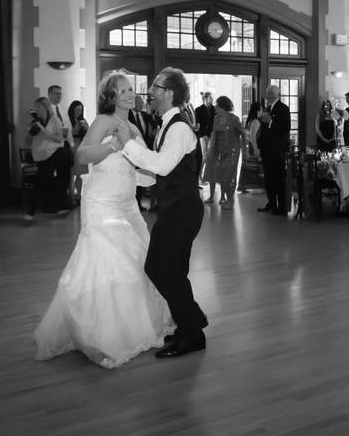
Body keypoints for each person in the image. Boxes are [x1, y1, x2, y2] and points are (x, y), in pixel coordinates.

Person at [34, 70, 174, 368]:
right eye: (122, 90)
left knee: (139, 262)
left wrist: (157, 173)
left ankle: (136, 326)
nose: (129, 93)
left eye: (130, 89)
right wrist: (114, 145)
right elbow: (82, 156)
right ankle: (104, 336)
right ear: (110, 96)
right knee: (109, 264)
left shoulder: (133, 124)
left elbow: (142, 167)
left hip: (127, 204)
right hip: (101, 203)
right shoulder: (104, 121)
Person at [115, 67, 209, 358]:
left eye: (154, 87)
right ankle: (190, 324)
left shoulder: (179, 127)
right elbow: (158, 174)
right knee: (170, 270)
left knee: (163, 270)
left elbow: (163, 165)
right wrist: (128, 175)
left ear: (168, 93)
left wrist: (127, 145)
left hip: (183, 211)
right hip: (174, 210)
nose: (149, 93)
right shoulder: (168, 125)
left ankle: (192, 332)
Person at [203, 96, 247, 210]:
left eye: (217, 105)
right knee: (222, 176)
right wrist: (211, 151)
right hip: (219, 151)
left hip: (232, 151)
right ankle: (224, 198)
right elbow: (214, 135)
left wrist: (245, 150)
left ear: (222, 107)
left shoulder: (234, 119)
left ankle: (230, 200)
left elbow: (243, 134)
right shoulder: (216, 118)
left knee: (229, 176)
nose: (215, 107)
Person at [24, 97, 65, 220]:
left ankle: (30, 212)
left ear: (46, 107)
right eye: (35, 107)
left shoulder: (54, 120)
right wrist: (31, 133)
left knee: (40, 181)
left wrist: (44, 131)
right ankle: (62, 206)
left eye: (39, 107)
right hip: (40, 155)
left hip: (53, 153)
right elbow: (27, 142)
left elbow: (60, 139)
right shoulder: (34, 122)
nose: (36, 109)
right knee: (49, 181)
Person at [257, 85, 290, 215]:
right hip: (267, 149)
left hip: (277, 150)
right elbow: (264, 130)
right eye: (267, 93)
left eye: (271, 93)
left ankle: (281, 207)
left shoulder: (283, 108)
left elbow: (285, 128)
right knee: (268, 178)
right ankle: (271, 203)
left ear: (278, 94)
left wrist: (270, 122)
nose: (268, 95)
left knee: (278, 179)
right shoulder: (268, 108)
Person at [47, 84, 73, 213]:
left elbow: (68, 128)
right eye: (56, 93)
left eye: (60, 94)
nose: (59, 96)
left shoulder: (62, 110)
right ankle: (53, 205)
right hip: (53, 148)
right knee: (53, 177)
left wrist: (72, 145)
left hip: (65, 146)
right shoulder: (47, 111)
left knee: (65, 176)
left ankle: (63, 203)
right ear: (50, 94)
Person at [68, 100, 89, 205]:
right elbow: (67, 134)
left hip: (81, 145)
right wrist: (76, 128)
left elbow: (88, 134)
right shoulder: (69, 120)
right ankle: (71, 196)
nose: (78, 112)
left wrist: (86, 128)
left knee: (80, 174)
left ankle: (79, 195)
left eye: (80, 110)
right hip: (72, 145)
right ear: (72, 110)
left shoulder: (83, 120)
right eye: (76, 110)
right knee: (72, 173)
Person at [195, 92, 216, 183]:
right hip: (203, 135)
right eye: (210, 98)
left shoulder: (214, 109)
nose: (212, 99)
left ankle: (208, 177)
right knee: (204, 156)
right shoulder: (198, 109)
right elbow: (197, 123)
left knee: (210, 156)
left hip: (212, 135)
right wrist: (202, 133)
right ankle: (199, 176)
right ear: (205, 99)